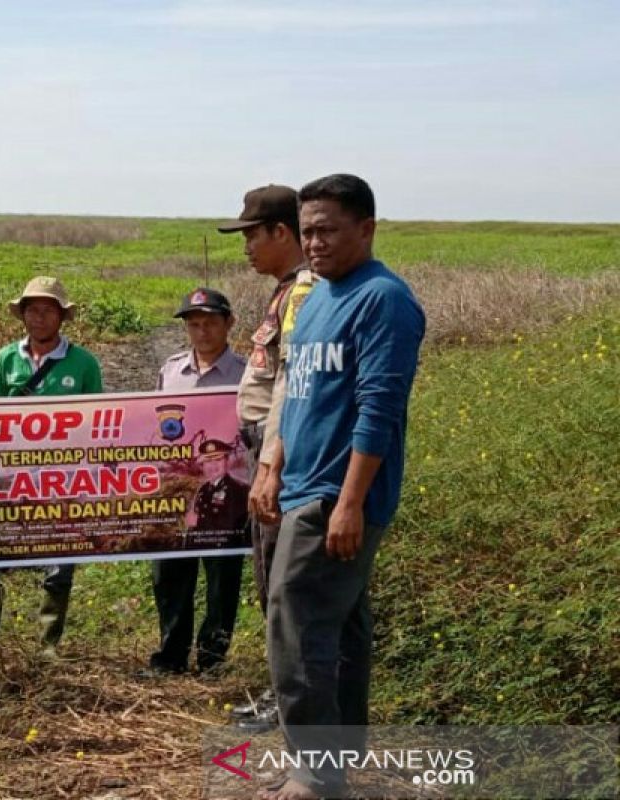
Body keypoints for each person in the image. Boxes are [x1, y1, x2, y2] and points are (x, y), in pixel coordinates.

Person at [260, 174, 425, 800]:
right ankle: (336, 760)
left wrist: (351, 503)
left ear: (367, 228)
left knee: (295, 626)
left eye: (328, 229)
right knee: (341, 629)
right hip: (304, 484)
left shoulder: (383, 299)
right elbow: (300, 395)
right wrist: (274, 460)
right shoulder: (320, 296)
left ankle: (315, 774)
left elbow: (378, 408)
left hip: (335, 495)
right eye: (307, 231)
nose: (316, 242)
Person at [0, 276, 103, 673]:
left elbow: (101, 420)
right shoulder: (5, 359)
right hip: (11, 478)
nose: (38, 317)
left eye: (47, 310)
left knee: (59, 565)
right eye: (31, 309)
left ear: (61, 317)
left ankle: (47, 650)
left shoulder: (84, 364)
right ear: (22, 314)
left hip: (61, 481)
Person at [216, 185, 315, 728]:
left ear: (282, 231)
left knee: (281, 586)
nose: (245, 246)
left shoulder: (302, 292)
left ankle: (291, 703)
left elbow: (289, 388)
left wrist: (272, 465)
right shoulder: (285, 290)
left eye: (252, 234)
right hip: (267, 447)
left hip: (281, 452)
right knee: (271, 581)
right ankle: (285, 695)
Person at [145, 288, 248, 676]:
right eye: (194, 324)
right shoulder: (171, 370)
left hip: (229, 491)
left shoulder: (245, 372)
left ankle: (212, 660)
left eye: (210, 323)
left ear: (228, 323)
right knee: (169, 573)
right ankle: (170, 656)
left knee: (223, 578)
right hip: (178, 491)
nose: (201, 331)